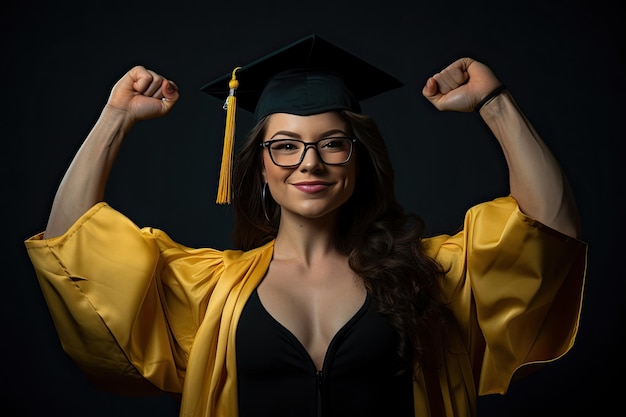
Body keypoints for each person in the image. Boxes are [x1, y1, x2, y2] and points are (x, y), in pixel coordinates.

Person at [25, 34, 587, 417]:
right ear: (261, 166)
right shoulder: (213, 289)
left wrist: (494, 102)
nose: (309, 163)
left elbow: (547, 231)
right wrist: (115, 119)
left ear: (358, 159)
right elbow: (72, 248)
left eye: (332, 145)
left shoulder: (429, 273)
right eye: (286, 146)